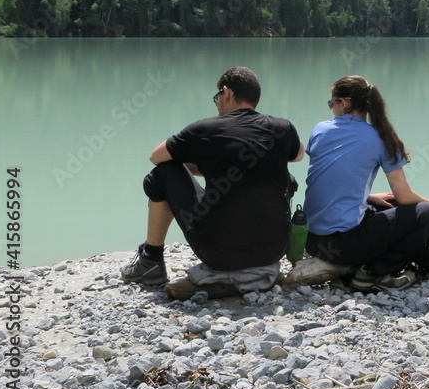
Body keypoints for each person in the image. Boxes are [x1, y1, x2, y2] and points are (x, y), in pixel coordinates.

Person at [121, 66, 305, 286]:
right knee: (279, 173)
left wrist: (205, 160)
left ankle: (150, 260)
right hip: (273, 251)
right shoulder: (282, 127)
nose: (217, 102)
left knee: (163, 172)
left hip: (218, 254)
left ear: (226, 93)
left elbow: (156, 157)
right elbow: (298, 155)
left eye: (217, 96)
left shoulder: (205, 129)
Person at [302, 75, 429, 292]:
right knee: (427, 213)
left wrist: (368, 197)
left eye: (331, 103)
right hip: (343, 246)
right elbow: (404, 195)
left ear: (344, 103)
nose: (331, 108)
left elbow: (331, 179)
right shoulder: (379, 138)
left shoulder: (320, 129)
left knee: (387, 203)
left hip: (311, 240)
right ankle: (374, 273)